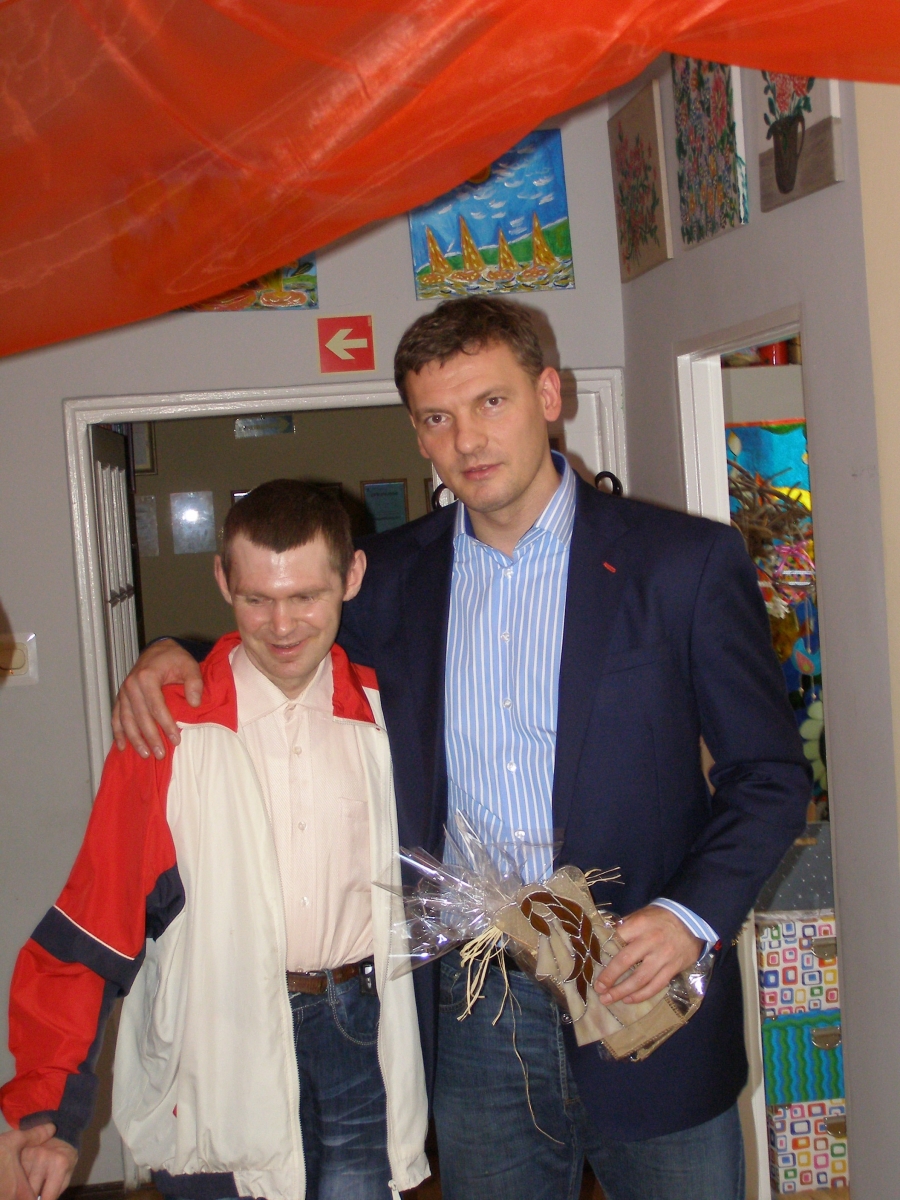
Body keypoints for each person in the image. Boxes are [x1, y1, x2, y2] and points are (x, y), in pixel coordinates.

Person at [112, 297, 810, 1200]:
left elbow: (769, 777)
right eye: (437, 418)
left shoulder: (683, 562)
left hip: (640, 976)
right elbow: (279, 638)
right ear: (418, 435)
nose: (468, 440)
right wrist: (173, 652)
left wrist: (689, 917)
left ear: (549, 395)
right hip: (475, 1003)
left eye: (490, 402)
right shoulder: (387, 580)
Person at [0, 481, 429, 1200]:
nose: (282, 626)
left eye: (305, 597)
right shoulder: (167, 732)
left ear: (351, 577)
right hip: (217, 1042)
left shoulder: (389, 716)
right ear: (223, 580)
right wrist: (48, 1112)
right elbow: (96, 921)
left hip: (362, 1032)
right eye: (257, 599)